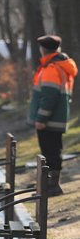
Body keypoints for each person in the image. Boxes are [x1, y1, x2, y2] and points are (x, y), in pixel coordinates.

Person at [28, 34, 77, 197]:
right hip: (57, 118)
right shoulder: (59, 66)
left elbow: (49, 96)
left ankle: (52, 186)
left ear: (43, 50)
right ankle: (49, 184)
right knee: (53, 151)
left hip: (49, 120)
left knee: (50, 152)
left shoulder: (51, 68)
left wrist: (41, 118)